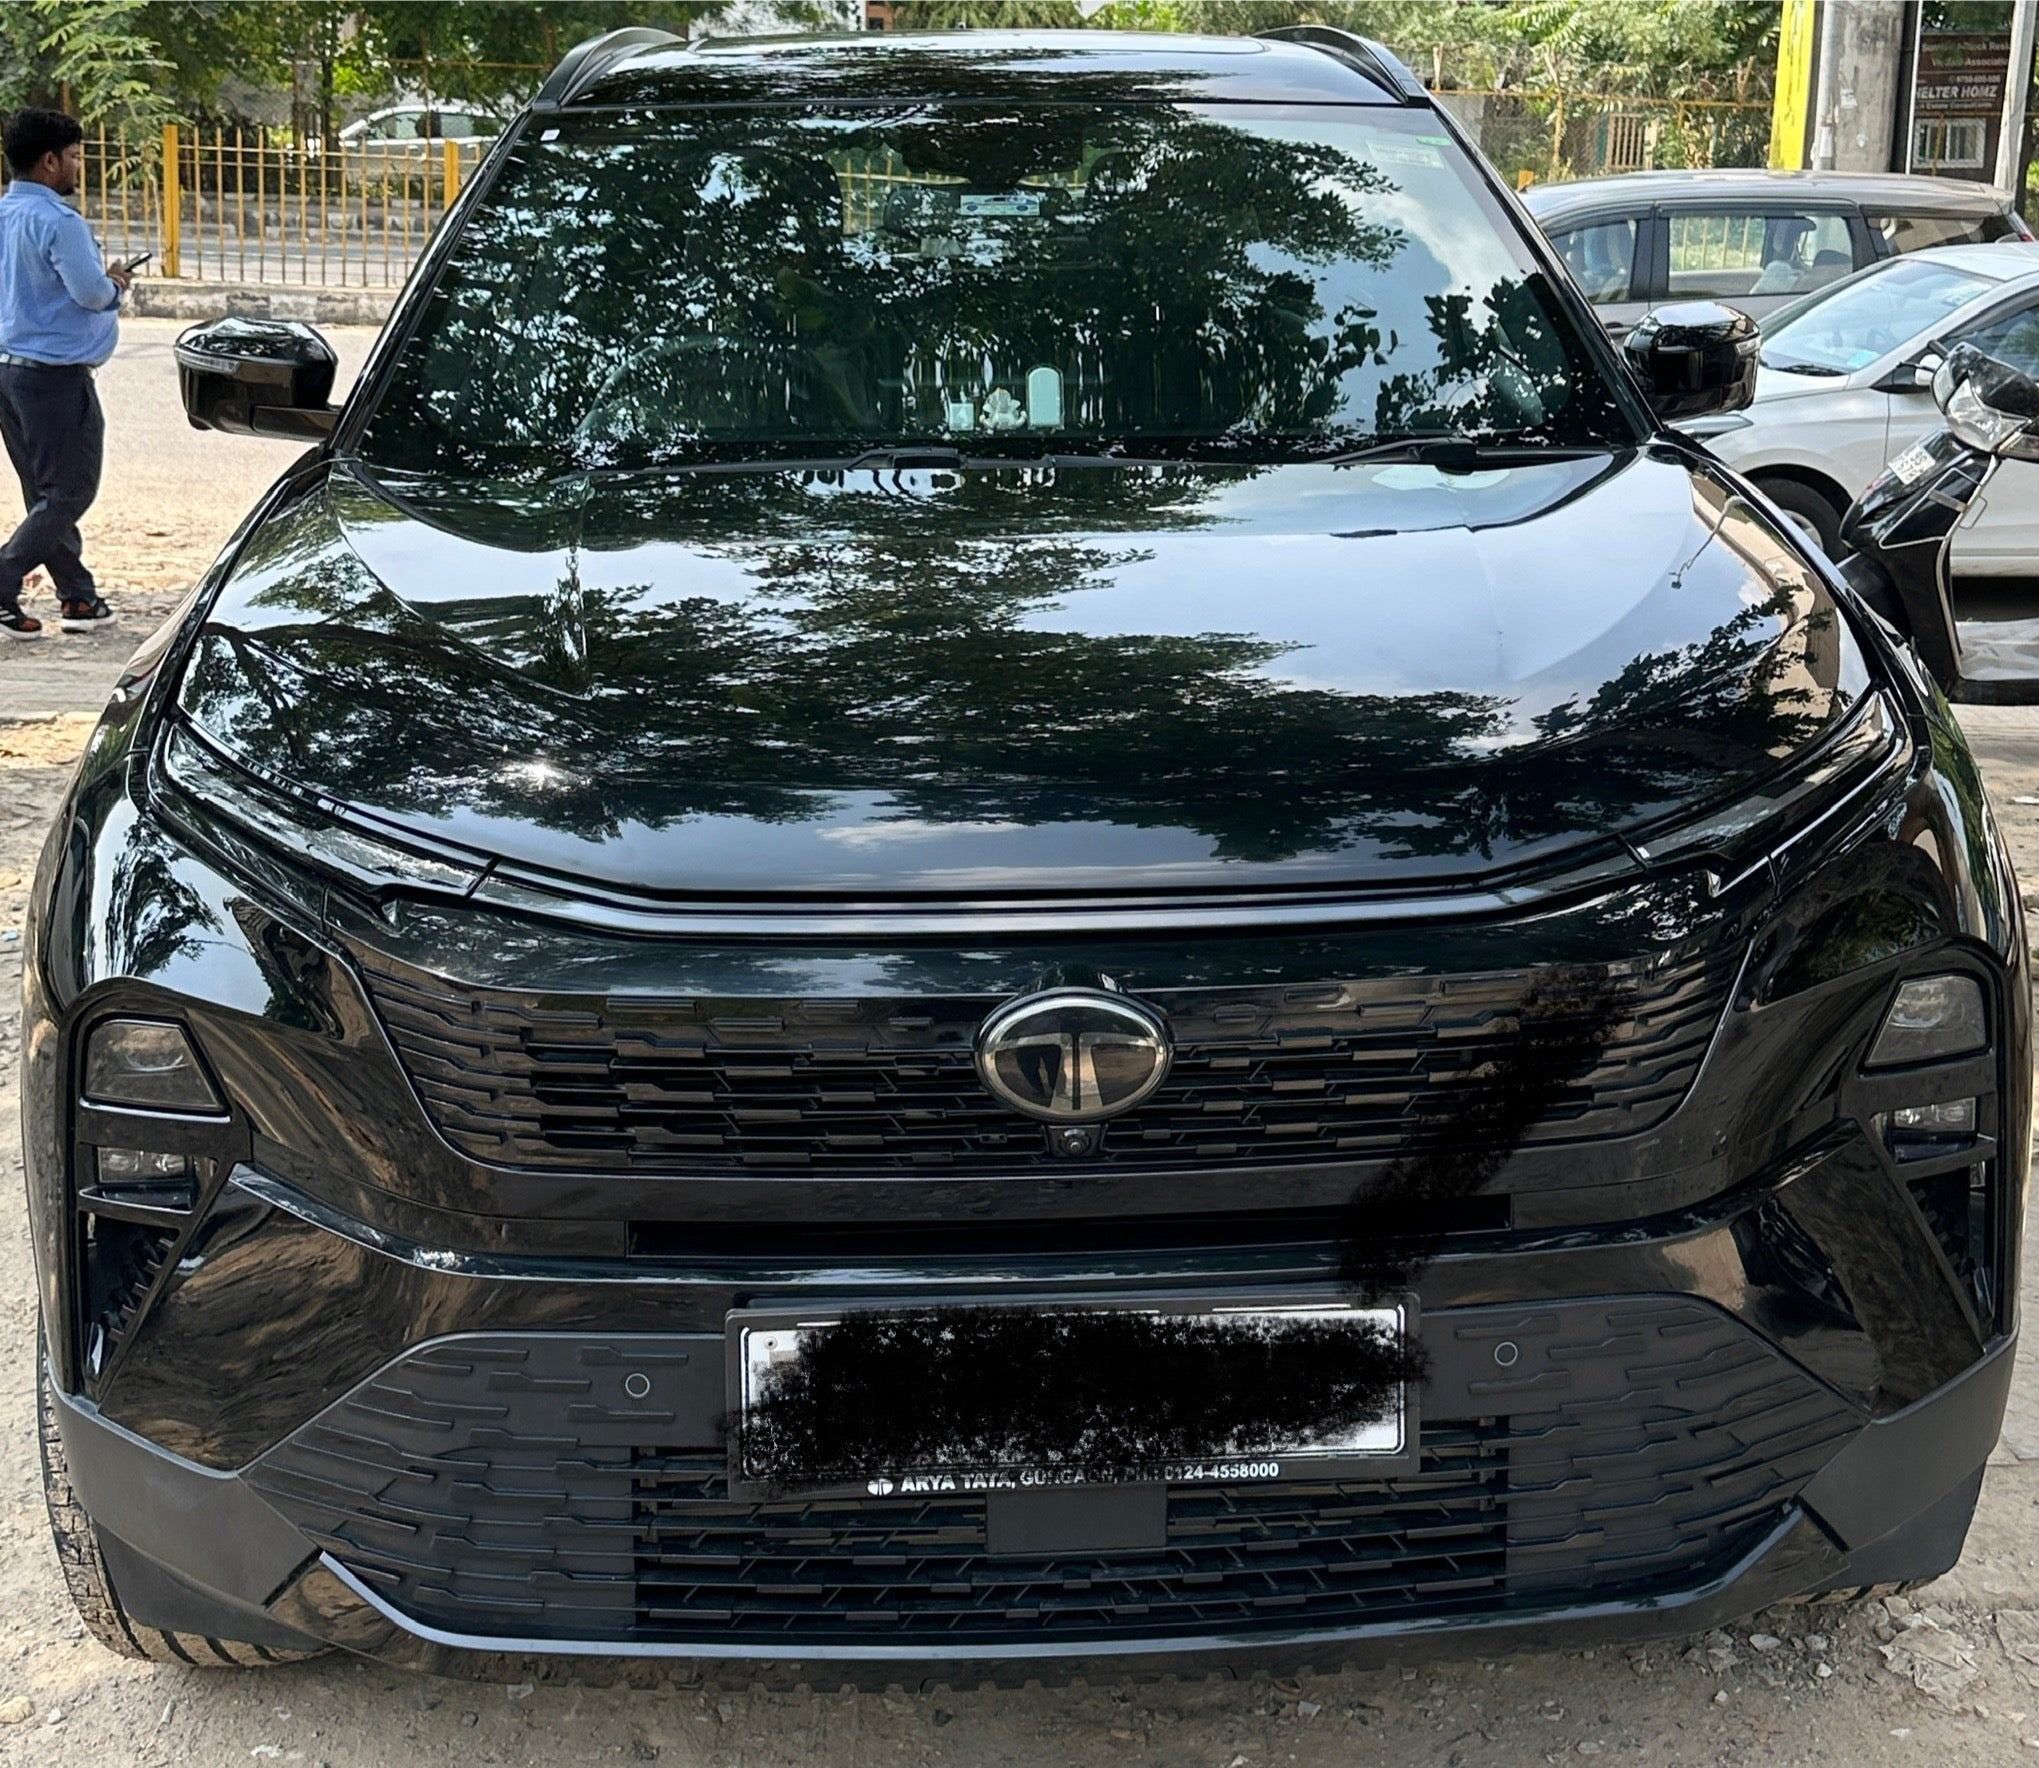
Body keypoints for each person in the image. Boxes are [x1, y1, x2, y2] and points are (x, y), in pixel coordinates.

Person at [0, 108, 131, 639]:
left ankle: (77, 597)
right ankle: (4, 578)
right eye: (75, 157)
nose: (79, 167)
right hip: (54, 377)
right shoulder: (58, 221)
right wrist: (117, 284)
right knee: (71, 491)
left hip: (8, 371)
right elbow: (91, 293)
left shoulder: (4, 214)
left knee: (44, 492)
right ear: (50, 161)